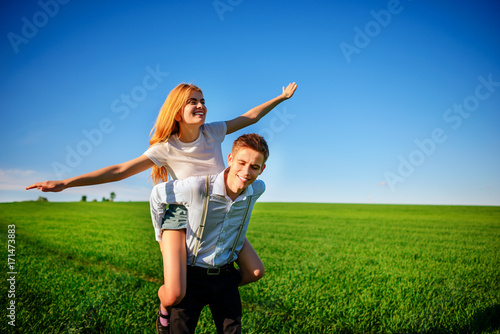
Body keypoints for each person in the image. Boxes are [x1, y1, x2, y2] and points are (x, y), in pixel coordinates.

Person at [26, 82, 297, 331]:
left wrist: (281, 98)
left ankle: (215, 289)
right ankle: (164, 306)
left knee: (255, 271)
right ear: (177, 111)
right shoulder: (166, 147)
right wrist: (66, 182)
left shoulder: (213, 132)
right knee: (175, 292)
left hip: (217, 210)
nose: (201, 105)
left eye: (203, 100)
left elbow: (250, 117)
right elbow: (120, 170)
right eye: (192, 101)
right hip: (179, 215)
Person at [150, 133, 268, 334]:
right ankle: (164, 312)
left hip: (225, 277)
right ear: (230, 159)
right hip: (192, 276)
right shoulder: (199, 187)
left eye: (254, 167)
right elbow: (158, 195)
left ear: (262, 169)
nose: (246, 172)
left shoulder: (257, 189)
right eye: (241, 163)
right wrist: (159, 235)